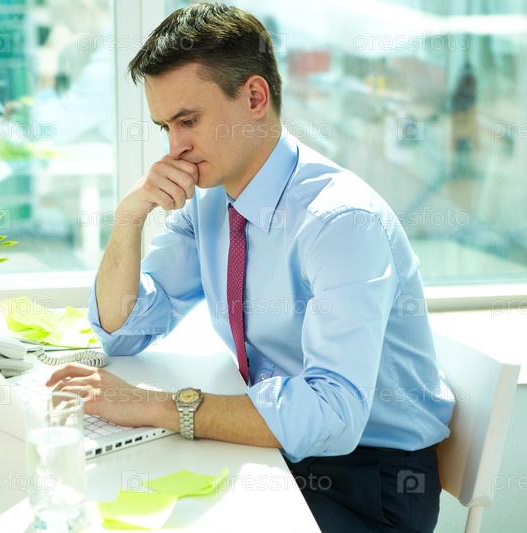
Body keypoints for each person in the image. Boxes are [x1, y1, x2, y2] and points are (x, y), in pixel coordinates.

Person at [46, 4, 454, 531]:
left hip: (369, 484)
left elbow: (332, 414)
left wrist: (153, 406)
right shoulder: (211, 201)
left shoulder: (339, 222)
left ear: (255, 98)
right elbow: (124, 331)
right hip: (281, 446)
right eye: (165, 126)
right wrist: (128, 218)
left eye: (188, 121)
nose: (175, 147)